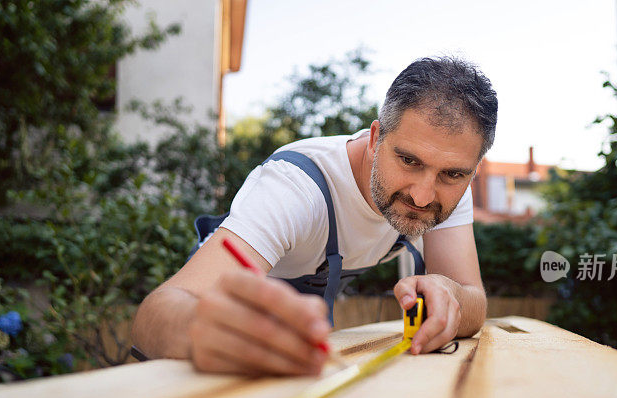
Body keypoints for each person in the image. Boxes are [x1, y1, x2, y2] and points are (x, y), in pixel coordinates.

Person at [131, 56, 498, 376]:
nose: (422, 195)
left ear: (471, 170)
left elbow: (473, 299)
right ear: (375, 139)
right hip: (199, 354)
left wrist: (452, 295)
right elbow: (155, 314)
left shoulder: (447, 186)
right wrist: (205, 330)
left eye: (452, 174)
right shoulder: (294, 189)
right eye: (408, 161)